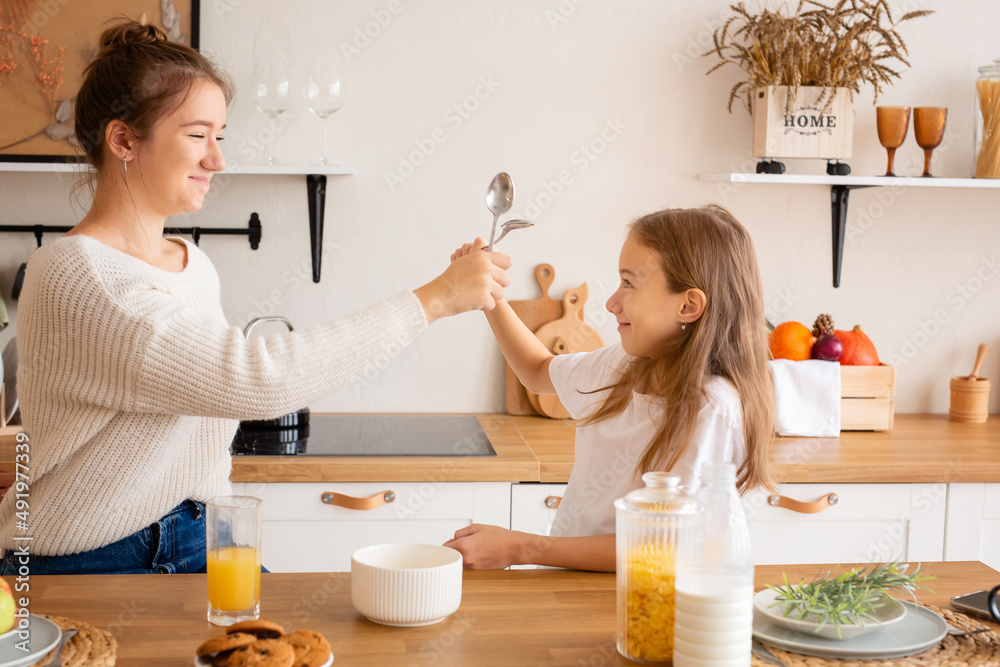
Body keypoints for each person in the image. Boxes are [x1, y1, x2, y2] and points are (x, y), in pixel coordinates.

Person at [0, 21, 510, 575]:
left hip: (200, 538)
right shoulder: (75, 275)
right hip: (90, 559)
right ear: (123, 140)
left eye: (221, 136)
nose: (216, 159)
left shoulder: (192, 264)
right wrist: (431, 301)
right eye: (197, 135)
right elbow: (254, 381)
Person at [445, 206, 775, 571]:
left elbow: (663, 546)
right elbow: (537, 370)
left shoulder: (711, 408)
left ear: (688, 305)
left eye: (629, 283)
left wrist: (521, 548)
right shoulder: (624, 365)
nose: (611, 302)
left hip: (638, 601)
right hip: (575, 589)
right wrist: (491, 296)